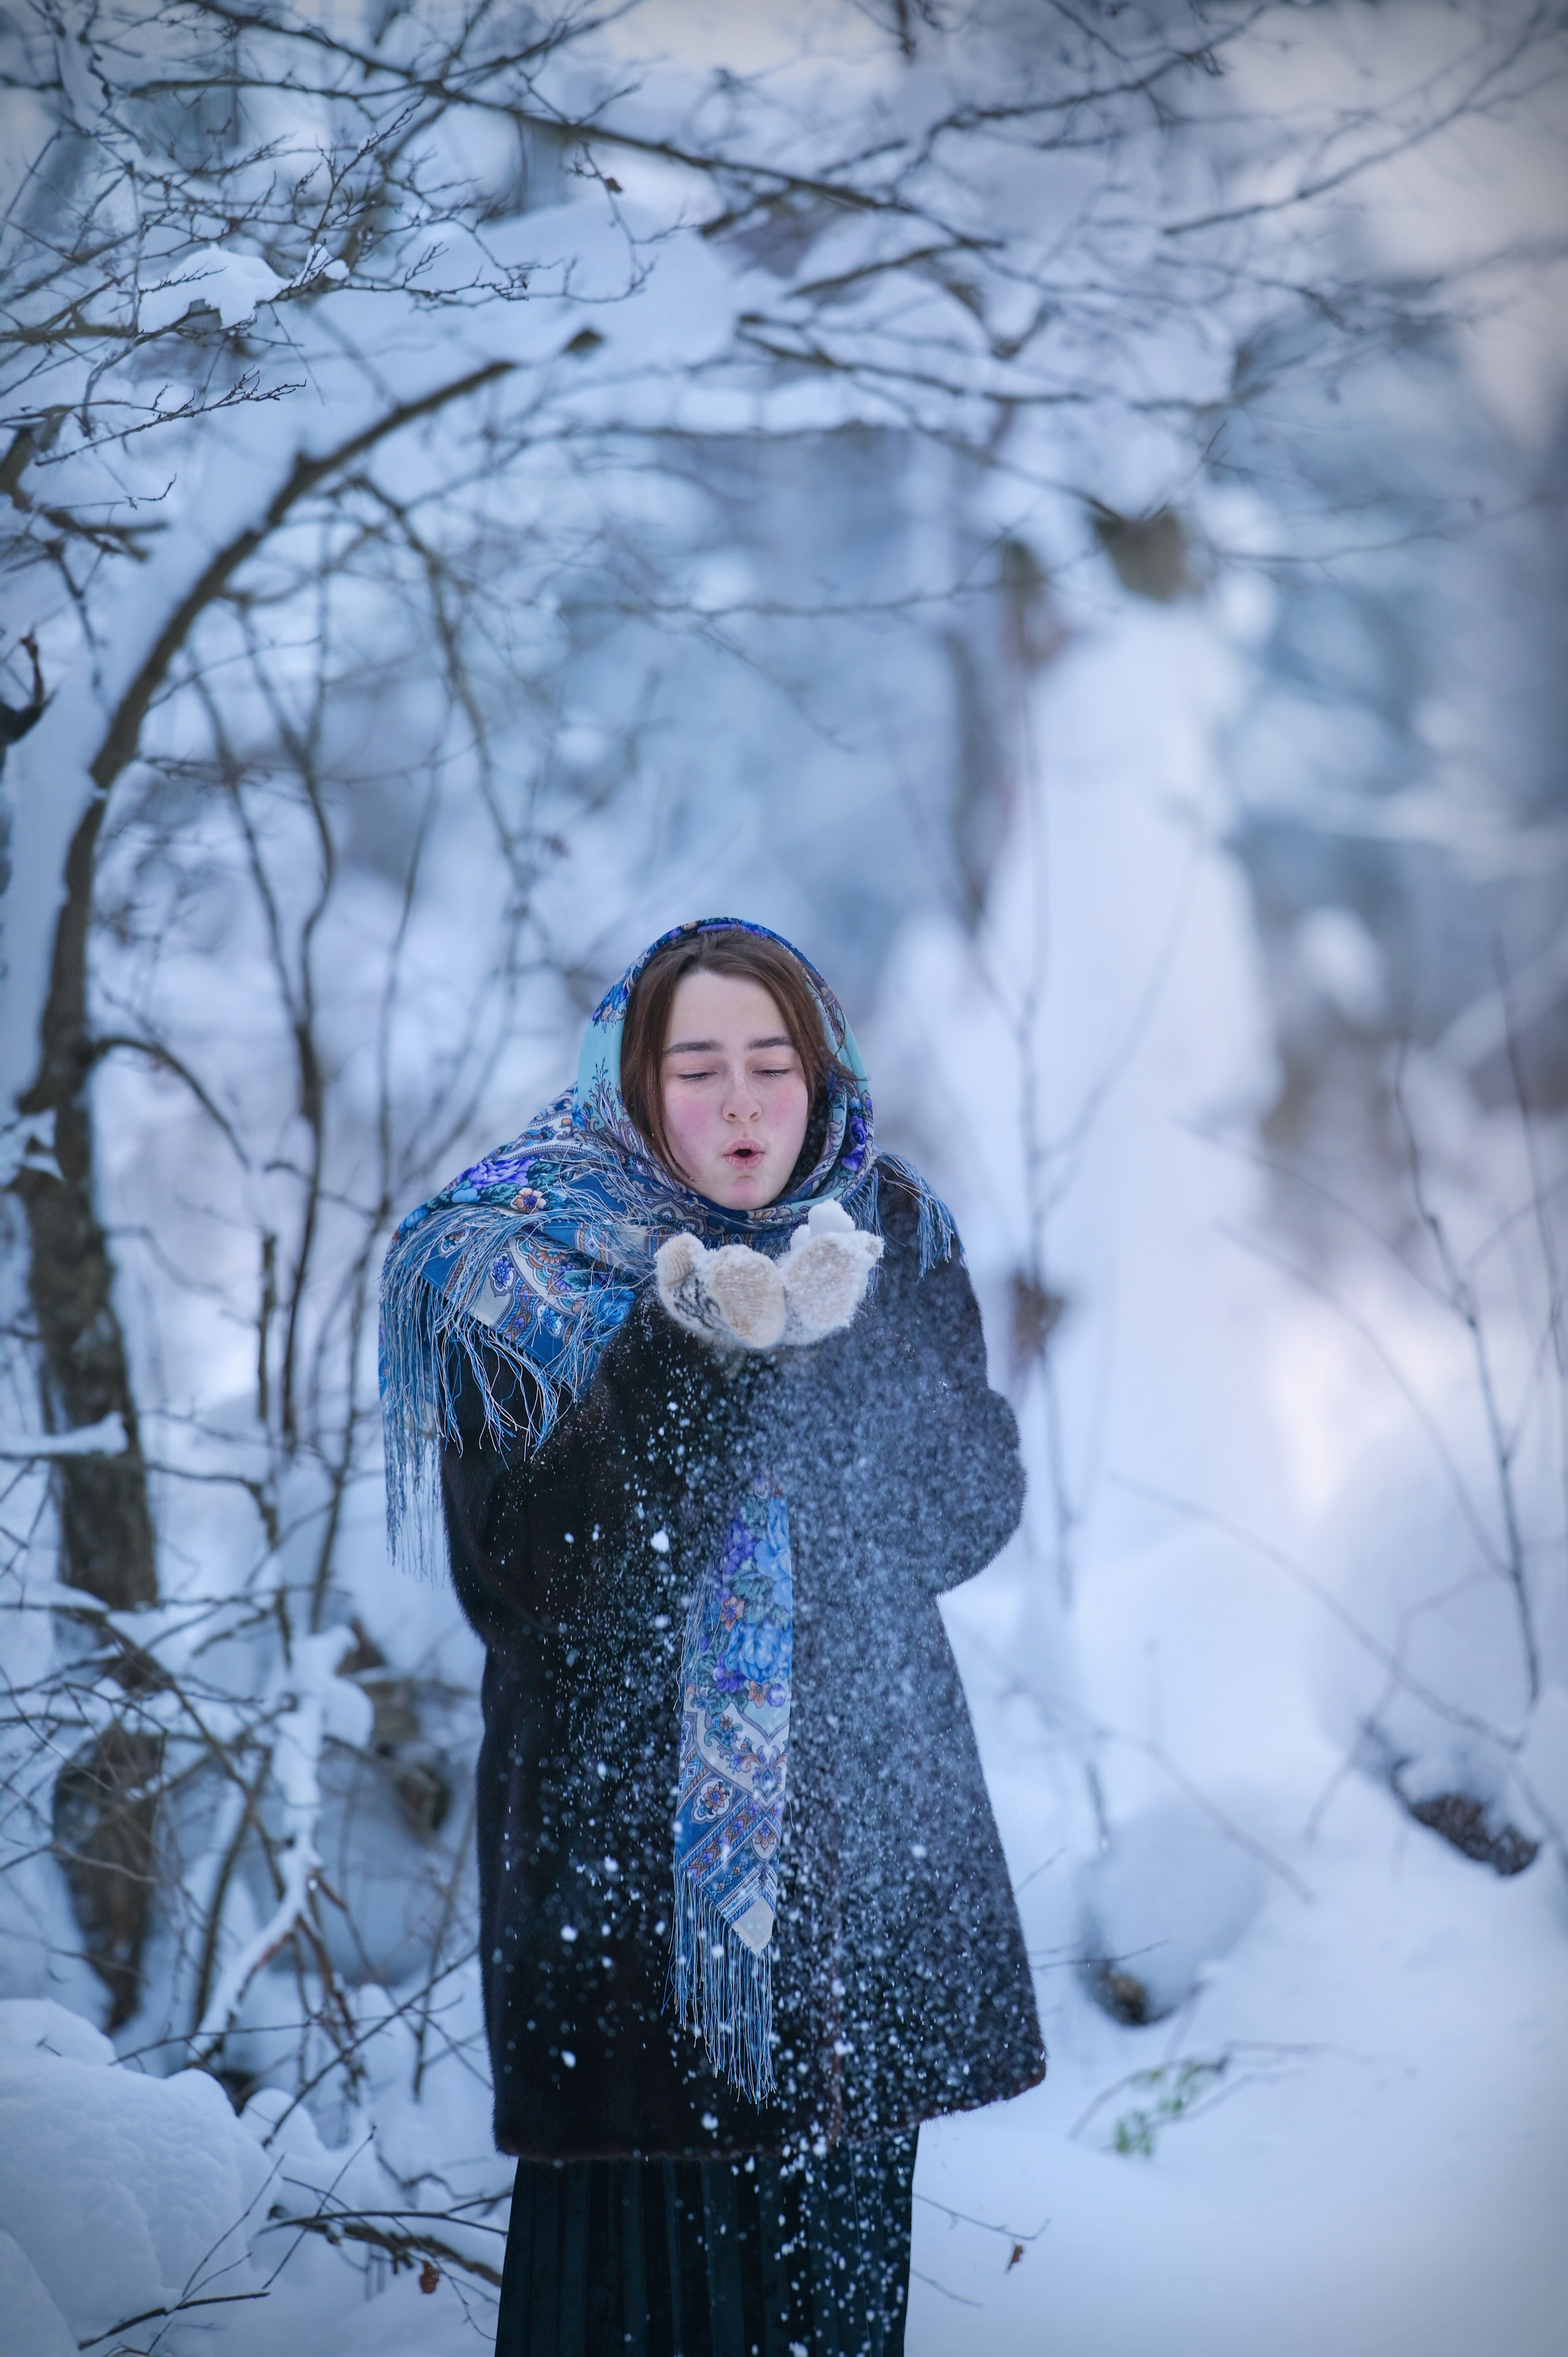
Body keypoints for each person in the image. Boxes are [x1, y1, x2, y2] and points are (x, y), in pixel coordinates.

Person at [379, 919, 1044, 2357]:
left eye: (772, 1064)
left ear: (822, 1078)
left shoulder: (891, 1236)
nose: (741, 1105)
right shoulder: (519, 1268)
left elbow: (961, 1517)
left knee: (828, 2314)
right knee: (627, 2312)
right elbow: (525, 1577)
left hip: (852, 1910)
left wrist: (836, 1341)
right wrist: (681, 1359)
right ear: (631, 1080)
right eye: (697, 1069)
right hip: (626, 1923)